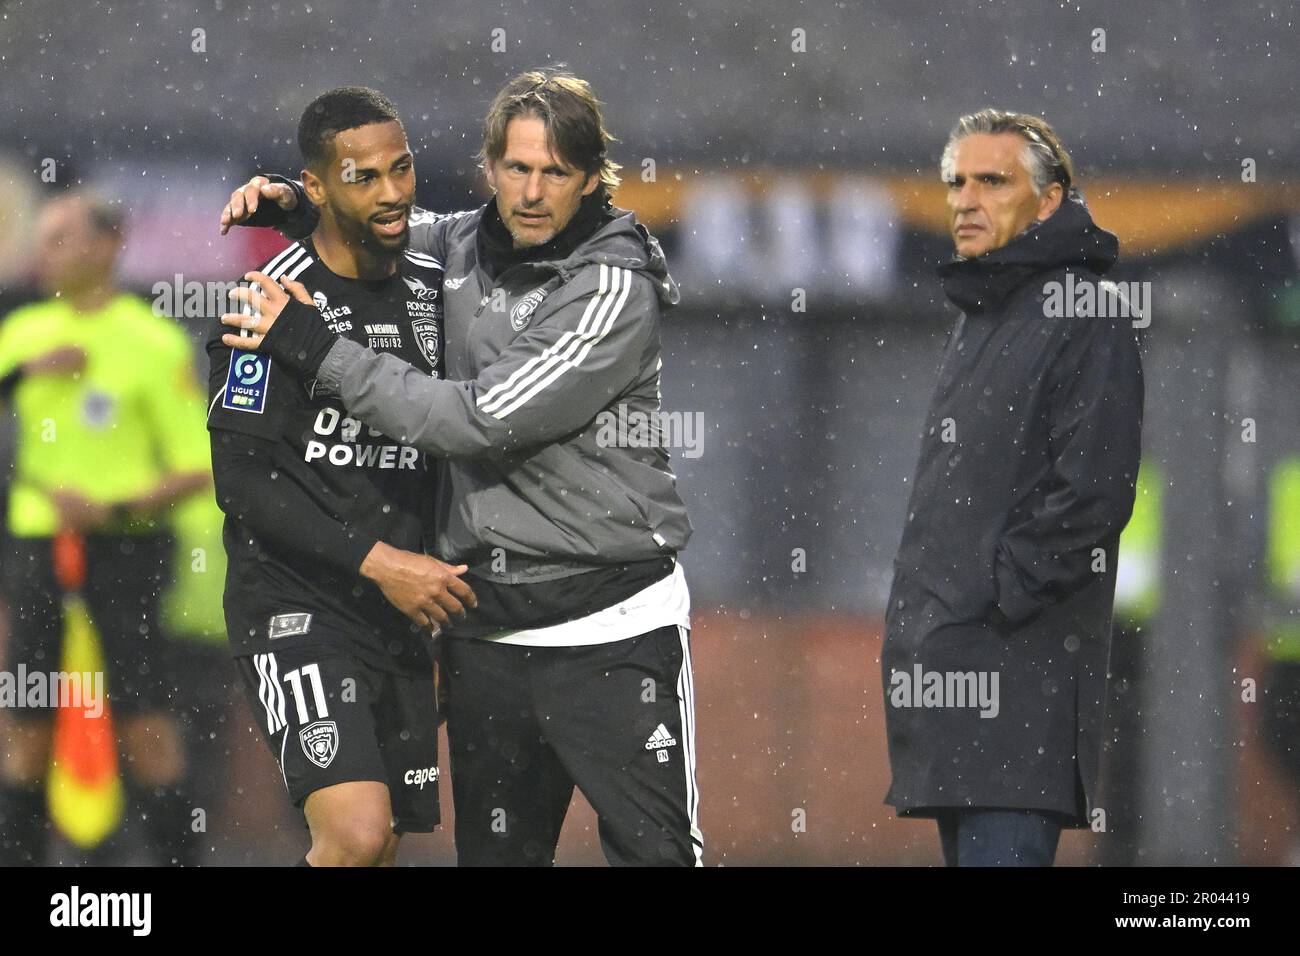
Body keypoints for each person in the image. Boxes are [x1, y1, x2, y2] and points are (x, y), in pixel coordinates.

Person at [219, 69, 701, 866]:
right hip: (487, 631)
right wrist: (309, 205)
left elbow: (478, 421)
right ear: (489, 168)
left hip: (609, 628)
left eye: (556, 172)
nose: (534, 191)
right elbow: (390, 227)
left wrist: (310, 346)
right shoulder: (463, 244)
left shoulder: (611, 288)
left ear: (590, 180)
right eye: (516, 168)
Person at [207, 87, 475, 866]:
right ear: (317, 187)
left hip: (403, 613)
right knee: (353, 834)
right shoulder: (267, 301)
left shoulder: (436, 291)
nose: (392, 193)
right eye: (363, 177)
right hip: (297, 602)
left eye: (402, 169)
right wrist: (381, 561)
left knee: (381, 841)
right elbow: (244, 486)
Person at [881, 109, 1144, 866]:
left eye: (991, 181)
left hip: (1017, 685)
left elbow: (1091, 493)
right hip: (957, 686)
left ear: (1050, 199)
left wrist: (995, 599)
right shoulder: (984, 314)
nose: (965, 199)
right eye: (955, 182)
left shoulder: (1084, 310)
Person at [0, 192, 211, 865]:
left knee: (143, 719)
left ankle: (174, 859)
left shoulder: (152, 342)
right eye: (43, 239)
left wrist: (116, 507)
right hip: (36, 545)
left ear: (108, 243)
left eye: (61, 238)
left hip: (128, 548)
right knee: (28, 724)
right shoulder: (23, 334)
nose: (44, 252)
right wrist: (20, 375)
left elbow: (197, 465)